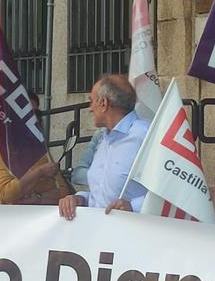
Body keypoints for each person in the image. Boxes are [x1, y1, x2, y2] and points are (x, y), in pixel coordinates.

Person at [57, 74, 147, 219]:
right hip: (99, 234)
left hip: (135, 234)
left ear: (104, 103)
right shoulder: (103, 139)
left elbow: (170, 189)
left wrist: (133, 207)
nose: (90, 108)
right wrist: (80, 199)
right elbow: (101, 195)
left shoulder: (145, 135)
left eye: (91, 101)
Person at [0, 95, 70, 205]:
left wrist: (39, 198)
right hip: (0, 219)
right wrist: (39, 173)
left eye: (36, 114)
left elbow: (63, 193)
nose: (33, 120)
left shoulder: (40, 150)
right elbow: (7, 193)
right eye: (25, 114)